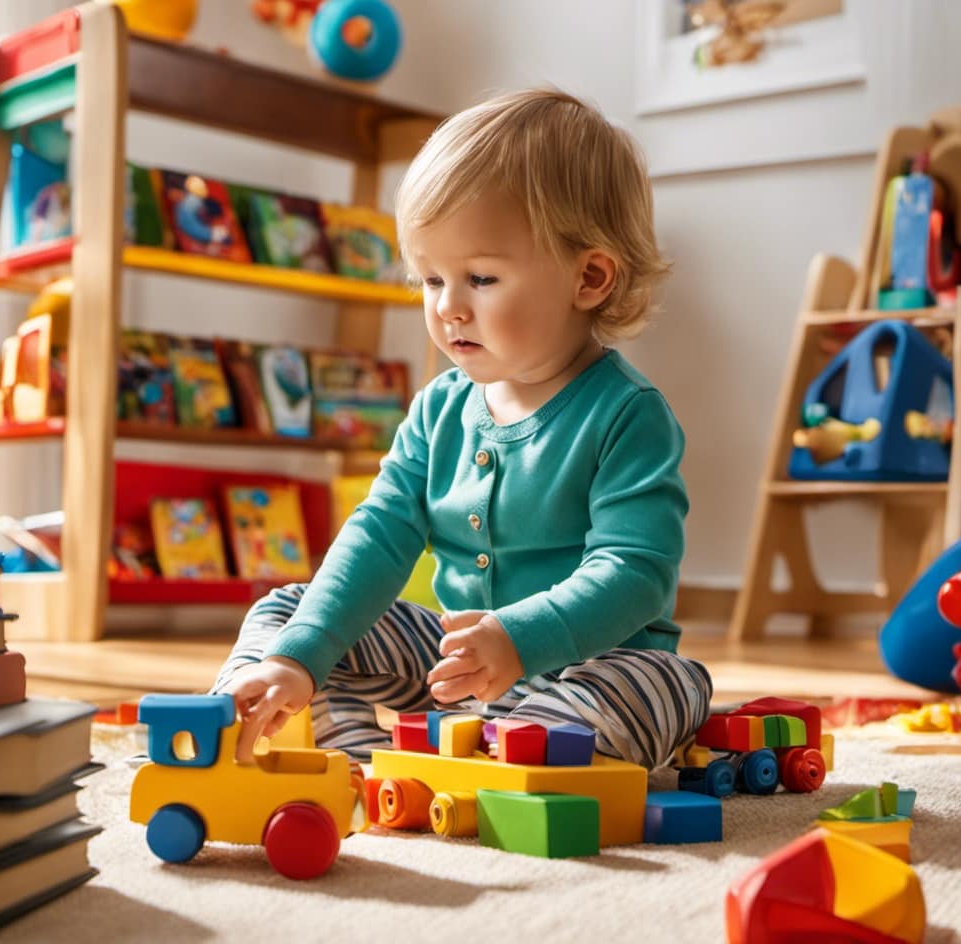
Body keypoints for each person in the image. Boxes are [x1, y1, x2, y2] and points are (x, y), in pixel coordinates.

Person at [213, 88, 713, 769]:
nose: (448, 308)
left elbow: (635, 574)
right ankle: (342, 759)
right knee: (292, 614)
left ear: (590, 277)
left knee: (669, 684)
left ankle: (516, 759)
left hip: (589, 667)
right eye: (429, 279)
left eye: (479, 278)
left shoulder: (626, 414)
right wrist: (300, 659)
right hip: (453, 671)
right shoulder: (438, 409)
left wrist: (517, 639)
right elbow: (379, 535)